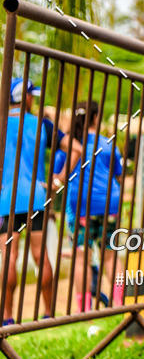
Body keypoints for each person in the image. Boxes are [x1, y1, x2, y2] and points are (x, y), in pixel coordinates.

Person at [0, 78, 76, 325]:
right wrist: (59, 179)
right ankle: (48, 313)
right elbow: (76, 149)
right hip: (35, 198)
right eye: (33, 95)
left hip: (5, 200)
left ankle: (7, 317)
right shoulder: (42, 124)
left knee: (7, 257)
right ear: (26, 98)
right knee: (40, 256)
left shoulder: (1, 124)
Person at [66, 101, 124, 312]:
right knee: (111, 255)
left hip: (81, 206)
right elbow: (118, 173)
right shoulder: (108, 143)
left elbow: (60, 174)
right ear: (96, 117)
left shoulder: (70, 144)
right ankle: (119, 305)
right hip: (110, 204)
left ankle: (85, 311)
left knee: (81, 258)